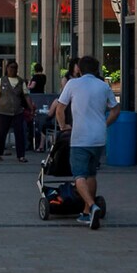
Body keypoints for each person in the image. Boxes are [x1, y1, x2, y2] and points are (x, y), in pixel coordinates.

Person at [53, 56, 120, 229]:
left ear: (79, 69)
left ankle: (91, 205)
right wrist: (105, 124)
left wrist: (63, 126)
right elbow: (115, 109)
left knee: (79, 175)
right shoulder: (104, 86)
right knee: (91, 174)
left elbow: (60, 108)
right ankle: (85, 212)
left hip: (80, 136)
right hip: (98, 137)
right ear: (97, 70)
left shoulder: (73, 84)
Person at [0, 61, 30, 162]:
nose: (13, 69)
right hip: (3, 111)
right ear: (7, 68)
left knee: (19, 133)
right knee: (2, 133)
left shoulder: (21, 82)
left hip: (17, 111)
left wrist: (31, 107)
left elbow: (26, 95)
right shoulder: (0, 81)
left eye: (15, 67)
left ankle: (21, 155)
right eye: (11, 67)